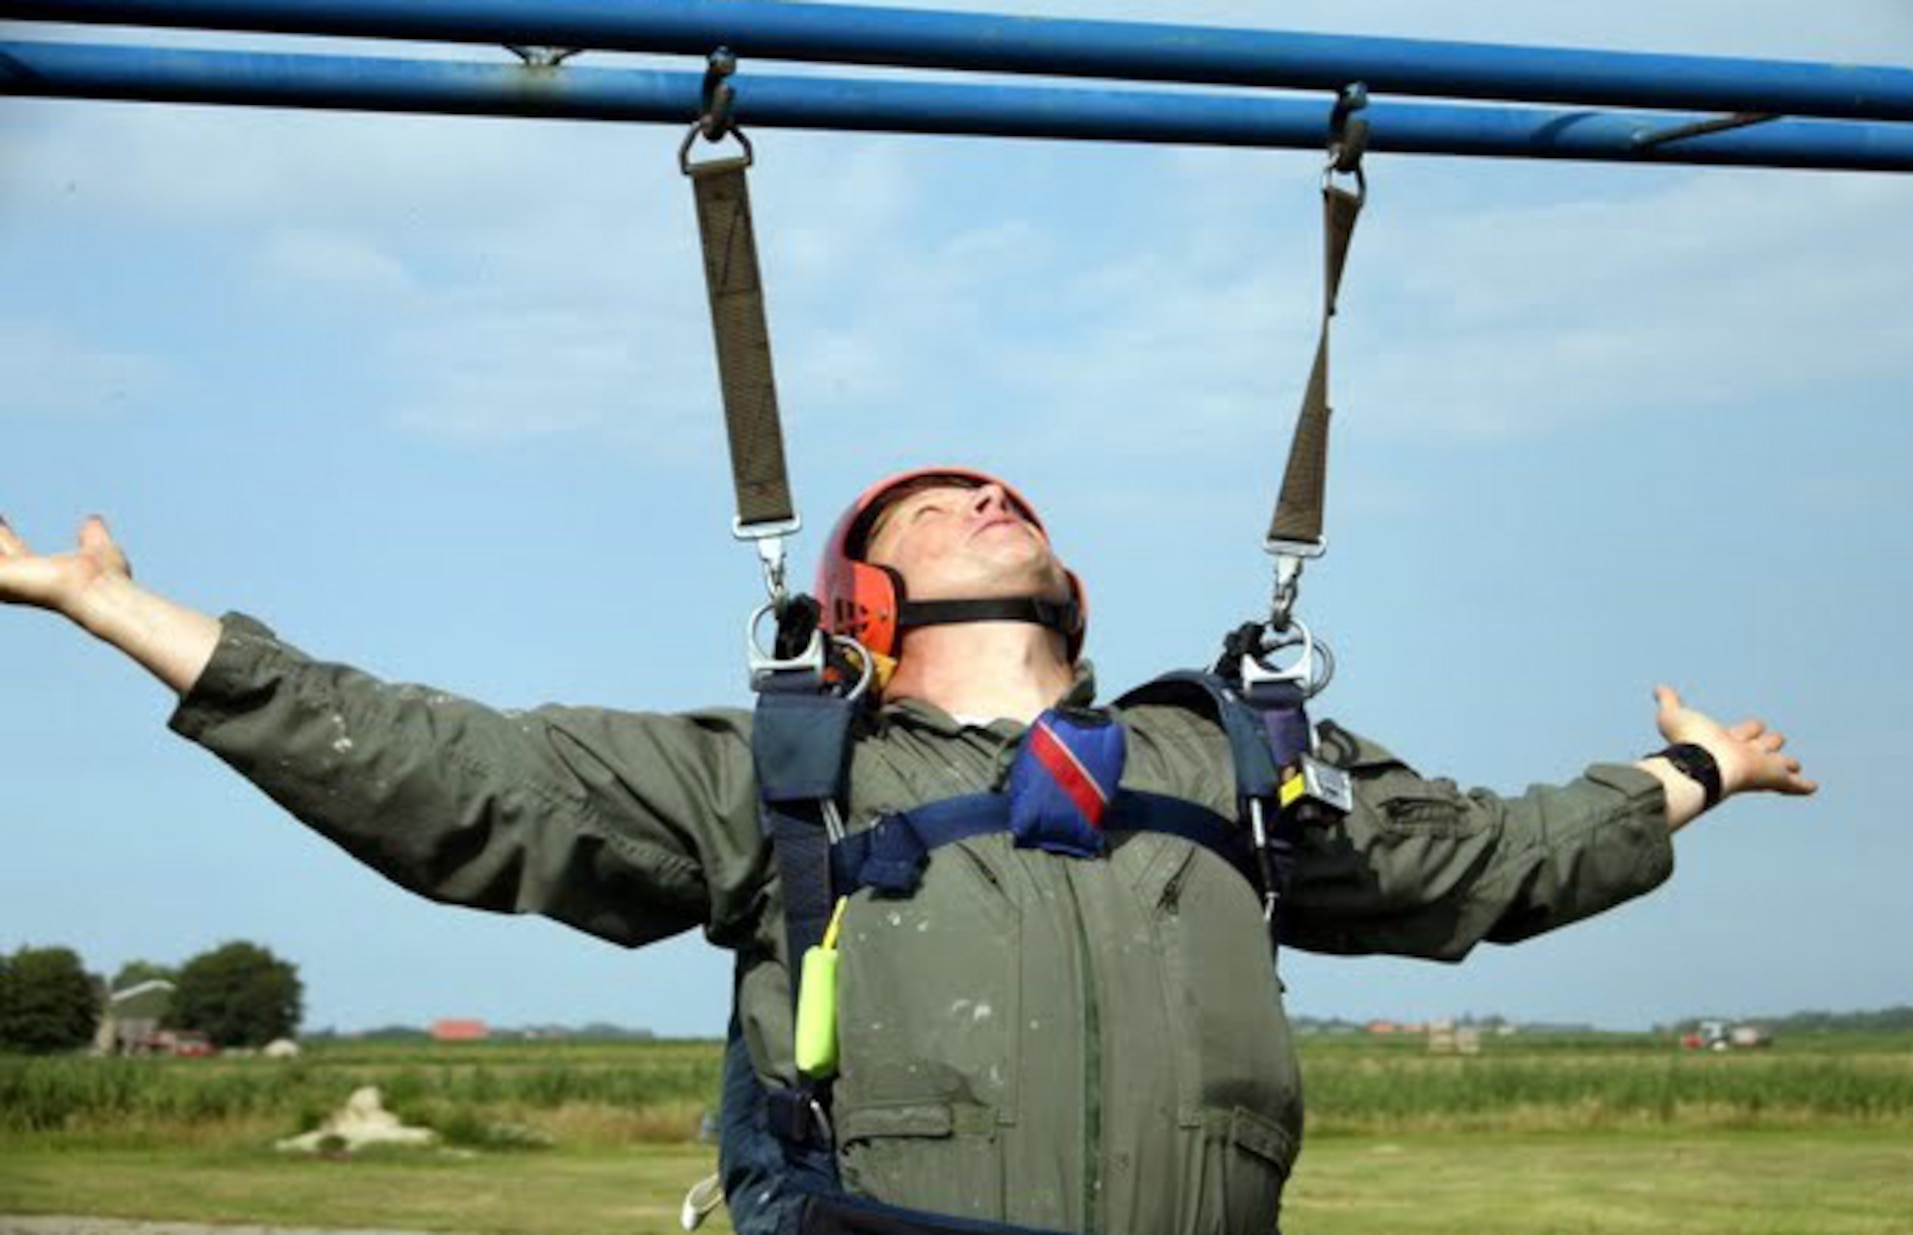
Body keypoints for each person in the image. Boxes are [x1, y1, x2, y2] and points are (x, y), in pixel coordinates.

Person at [0, 472, 1815, 1235]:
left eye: (1012, 495)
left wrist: (1690, 774)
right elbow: (450, 773)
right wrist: (116, 612)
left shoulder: (1229, 760)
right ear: (862, 597)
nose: (995, 495)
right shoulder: (786, 779)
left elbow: (1483, 861)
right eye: (945, 499)